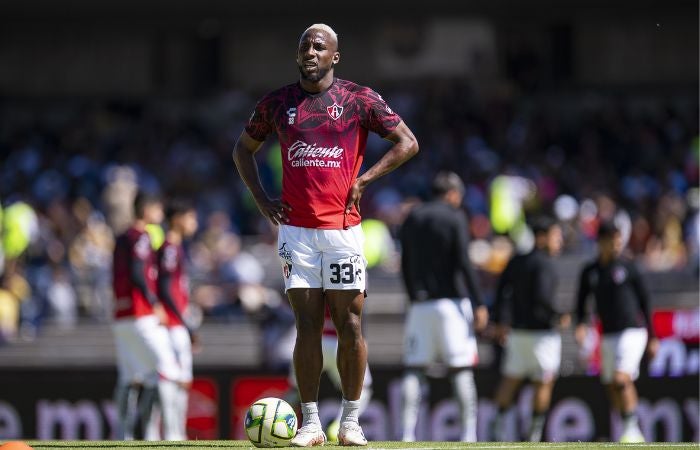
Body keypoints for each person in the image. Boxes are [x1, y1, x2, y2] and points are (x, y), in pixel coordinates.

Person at [233, 23, 419, 447]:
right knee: (307, 326)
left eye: (319, 46)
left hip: (342, 230)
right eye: (304, 46)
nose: (310, 52)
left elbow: (407, 142)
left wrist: (366, 179)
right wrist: (261, 198)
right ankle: (313, 424)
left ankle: (351, 422)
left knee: (350, 323)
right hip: (296, 232)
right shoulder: (277, 103)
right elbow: (242, 149)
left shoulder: (358, 99)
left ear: (335, 56)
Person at [398, 171, 488, 442]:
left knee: (415, 369)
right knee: (460, 368)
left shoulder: (413, 217)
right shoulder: (455, 217)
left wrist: (413, 296)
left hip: (421, 304)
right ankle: (469, 434)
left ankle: (406, 434)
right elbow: (464, 262)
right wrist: (479, 302)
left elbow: (405, 264)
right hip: (452, 305)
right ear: (452, 193)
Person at [575, 221, 659, 443]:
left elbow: (645, 302)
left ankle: (632, 431)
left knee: (622, 379)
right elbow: (581, 302)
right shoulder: (591, 272)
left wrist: (653, 336)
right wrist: (581, 324)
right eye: (612, 239)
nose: (617, 244)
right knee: (611, 383)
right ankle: (626, 428)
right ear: (601, 242)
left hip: (632, 332)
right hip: (608, 335)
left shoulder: (628, 267)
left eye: (619, 239)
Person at [490, 215, 568, 442]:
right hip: (543, 335)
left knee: (510, 379)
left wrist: (501, 321)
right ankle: (535, 433)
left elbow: (502, 292)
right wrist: (558, 315)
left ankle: (497, 426)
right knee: (544, 381)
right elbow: (543, 298)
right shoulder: (545, 263)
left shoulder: (517, 261)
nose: (559, 241)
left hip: (518, 332)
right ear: (542, 238)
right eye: (555, 236)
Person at [111, 193, 181, 440]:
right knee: (167, 371)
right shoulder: (141, 237)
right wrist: (155, 304)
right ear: (147, 209)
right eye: (158, 209)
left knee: (129, 377)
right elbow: (138, 273)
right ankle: (170, 436)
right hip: (142, 314)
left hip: (121, 315)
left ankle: (124, 436)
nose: (161, 215)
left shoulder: (121, 237)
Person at [283, 304, 373, 442]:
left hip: (308, 343)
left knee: (296, 390)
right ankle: (341, 423)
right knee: (363, 388)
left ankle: (278, 420)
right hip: (338, 342)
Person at [155, 200, 200, 440]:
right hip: (172, 324)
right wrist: (184, 321)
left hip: (177, 322)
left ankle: (176, 434)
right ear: (177, 219)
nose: (194, 223)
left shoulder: (177, 248)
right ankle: (172, 434)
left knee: (182, 380)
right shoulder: (169, 248)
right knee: (174, 378)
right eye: (191, 217)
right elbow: (163, 288)